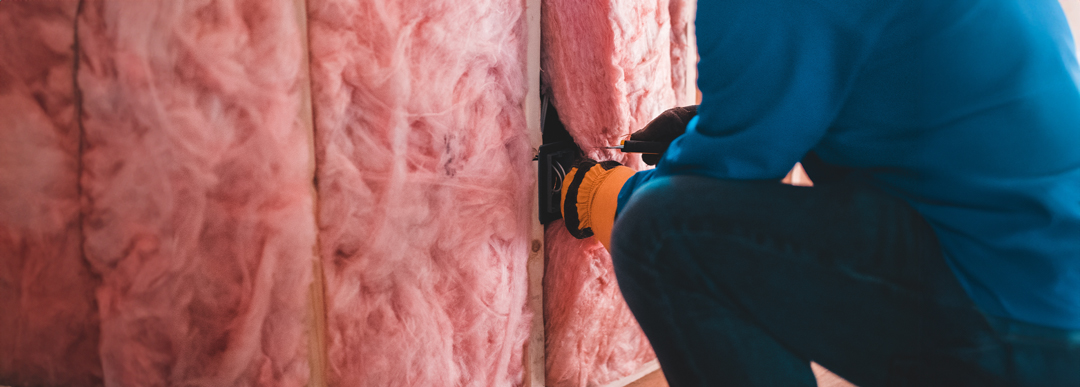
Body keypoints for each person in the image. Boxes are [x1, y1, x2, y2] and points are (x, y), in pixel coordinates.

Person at [559, 0, 1080, 385]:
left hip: (1017, 314)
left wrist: (603, 193)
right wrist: (713, 124)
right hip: (1046, 277)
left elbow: (726, 173)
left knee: (661, 234)